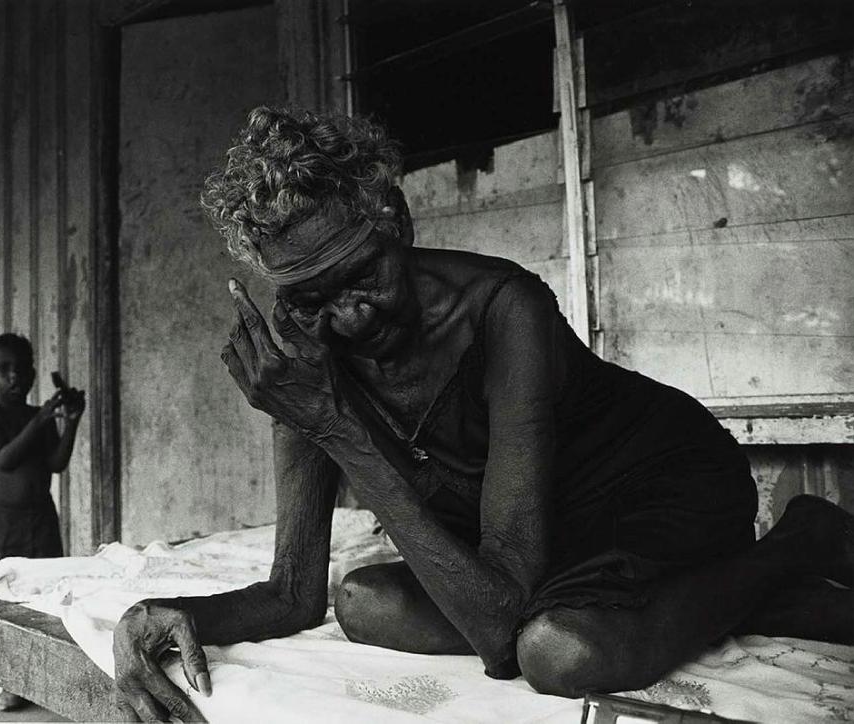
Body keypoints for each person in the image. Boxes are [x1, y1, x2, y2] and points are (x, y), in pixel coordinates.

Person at [110, 107, 854, 721]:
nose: (349, 317)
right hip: (537, 536)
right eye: (310, 299)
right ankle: (686, 602)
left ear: (395, 223)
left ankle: (788, 546)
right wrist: (161, 614)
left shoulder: (503, 309)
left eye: (363, 277)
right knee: (362, 601)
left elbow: (500, 636)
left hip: (660, 480)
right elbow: (293, 593)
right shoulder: (301, 354)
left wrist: (334, 425)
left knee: (557, 652)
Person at [0, 332, 85, 710]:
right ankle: (2, 679)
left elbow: (56, 464)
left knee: (44, 598)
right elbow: (3, 458)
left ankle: (38, 677)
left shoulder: (40, 415)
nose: (14, 376)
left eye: (22, 368)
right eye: (3, 369)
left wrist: (72, 421)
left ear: (34, 373)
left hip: (40, 521)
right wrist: (42, 418)